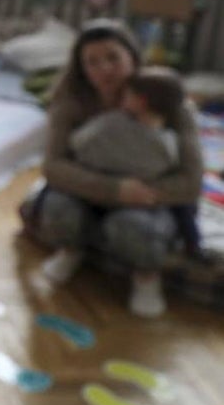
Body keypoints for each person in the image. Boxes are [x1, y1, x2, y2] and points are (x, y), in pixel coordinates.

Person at [36, 21, 204, 318]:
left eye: (113, 58)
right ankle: (72, 250)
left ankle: (146, 277)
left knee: (133, 229)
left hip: (147, 198)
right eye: (93, 62)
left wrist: (143, 193)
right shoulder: (70, 104)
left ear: (133, 58)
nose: (104, 69)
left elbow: (191, 181)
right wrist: (114, 190)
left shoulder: (172, 104)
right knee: (58, 209)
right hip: (89, 190)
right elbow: (53, 166)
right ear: (82, 68)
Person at [66, 66, 202, 260]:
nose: (122, 98)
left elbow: (77, 142)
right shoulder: (171, 141)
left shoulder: (111, 123)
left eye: (127, 95)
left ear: (140, 101)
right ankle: (193, 242)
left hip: (113, 191)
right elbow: (178, 175)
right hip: (150, 197)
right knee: (184, 207)